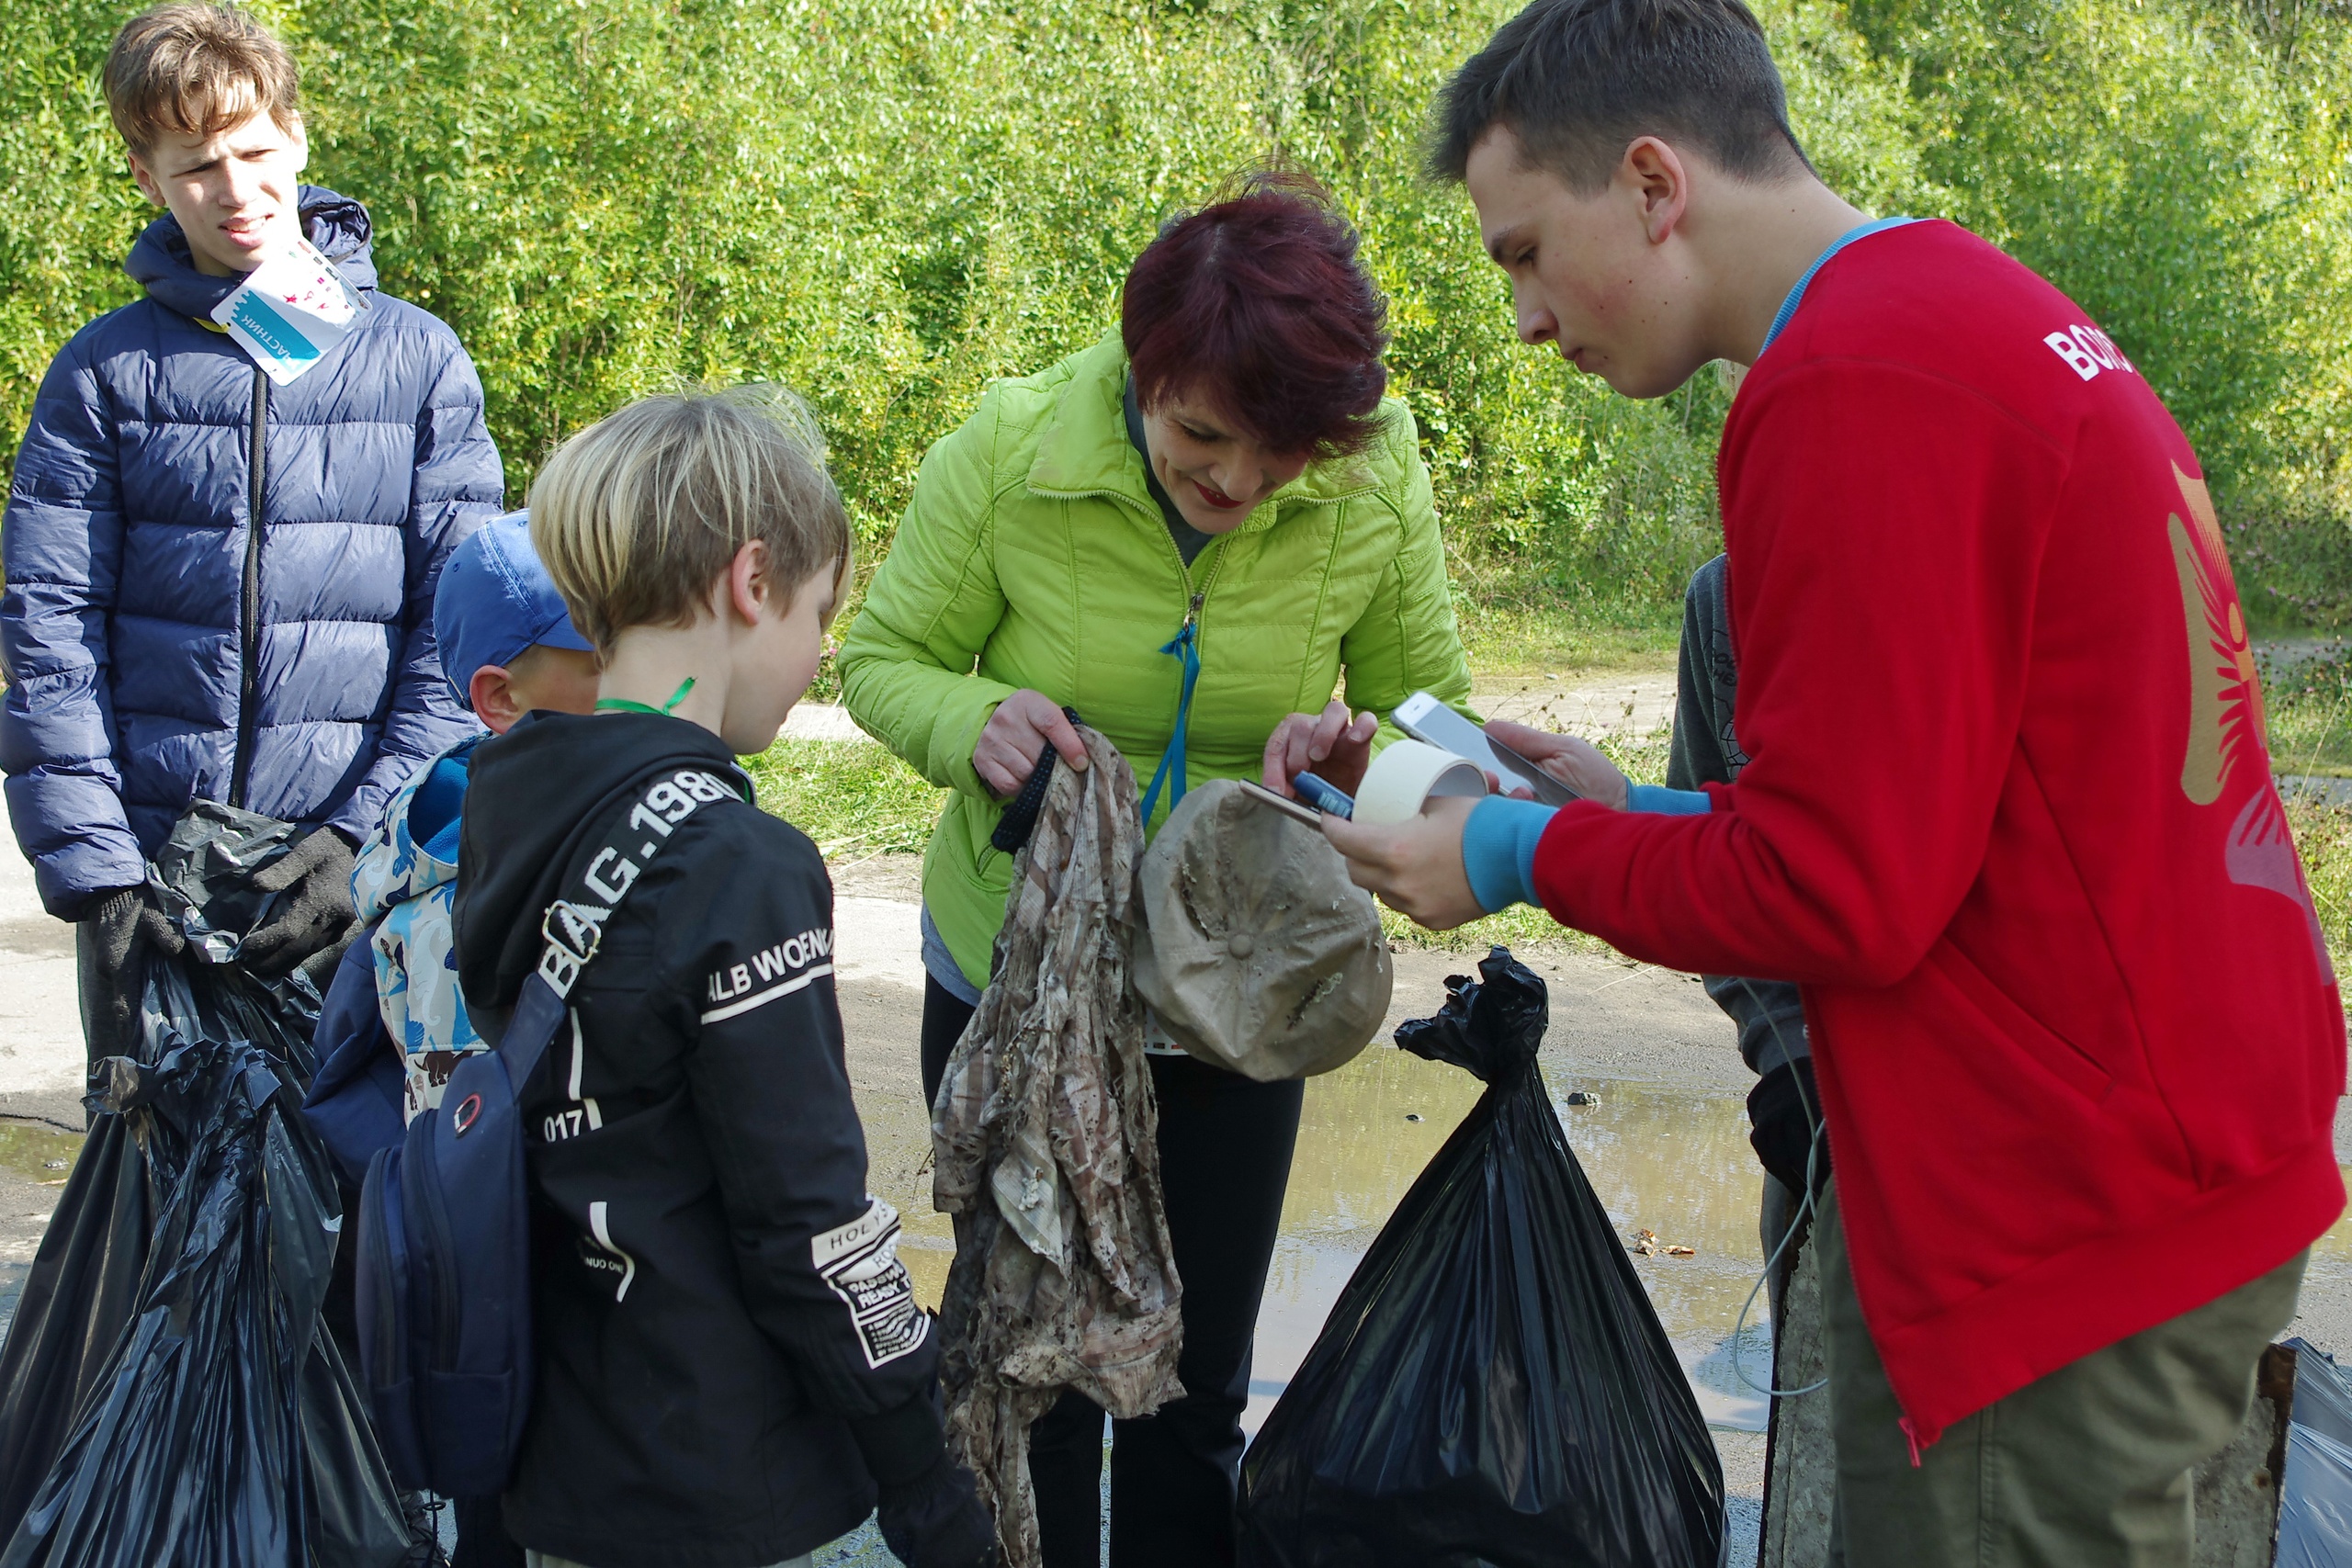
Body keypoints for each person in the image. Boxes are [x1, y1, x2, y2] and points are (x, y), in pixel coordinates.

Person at [1321, 1, 2346, 1563]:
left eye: (1525, 252)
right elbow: (1938, 812)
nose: (1526, 316)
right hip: (2180, 1147)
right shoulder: (1958, 306)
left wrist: (1513, 852)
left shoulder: (1850, 384)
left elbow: (1841, 894)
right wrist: (1627, 812)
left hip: (2057, 1211)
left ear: (1655, 185)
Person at [837, 172, 1475, 1566]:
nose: (1238, 484)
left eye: (1280, 459)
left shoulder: (1377, 473)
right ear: (1145, 371)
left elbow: (1437, 715)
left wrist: (1361, 750)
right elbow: (879, 658)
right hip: (1017, 959)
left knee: (1193, 1380)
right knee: (1042, 1368)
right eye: (1200, 437)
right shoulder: (1010, 449)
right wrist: (972, 719)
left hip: (1237, 988)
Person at [449, 387, 994, 1568]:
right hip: (700, 1468)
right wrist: (928, 1484)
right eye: (816, 613)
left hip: (544, 1443)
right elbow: (808, 1222)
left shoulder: (511, 796)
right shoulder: (736, 864)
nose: (814, 656)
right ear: (751, 584)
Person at [0, 2, 501, 1063]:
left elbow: (459, 633)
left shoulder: (418, 361)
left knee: (358, 1209)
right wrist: (98, 871)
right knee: (162, 1207)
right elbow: (49, 630)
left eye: (256, 150)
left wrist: (363, 840)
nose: (234, 191)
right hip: (152, 880)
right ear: (144, 176)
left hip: (354, 877)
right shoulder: (101, 375)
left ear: (298, 135)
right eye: (195, 168)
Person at [302, 513, 598, 1568]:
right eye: (601, 652)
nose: (640, 671)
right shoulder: (474, 882)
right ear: (499, 698)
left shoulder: (513, 817)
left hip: (512, 1271)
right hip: (501, 1283)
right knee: (507, 1513)